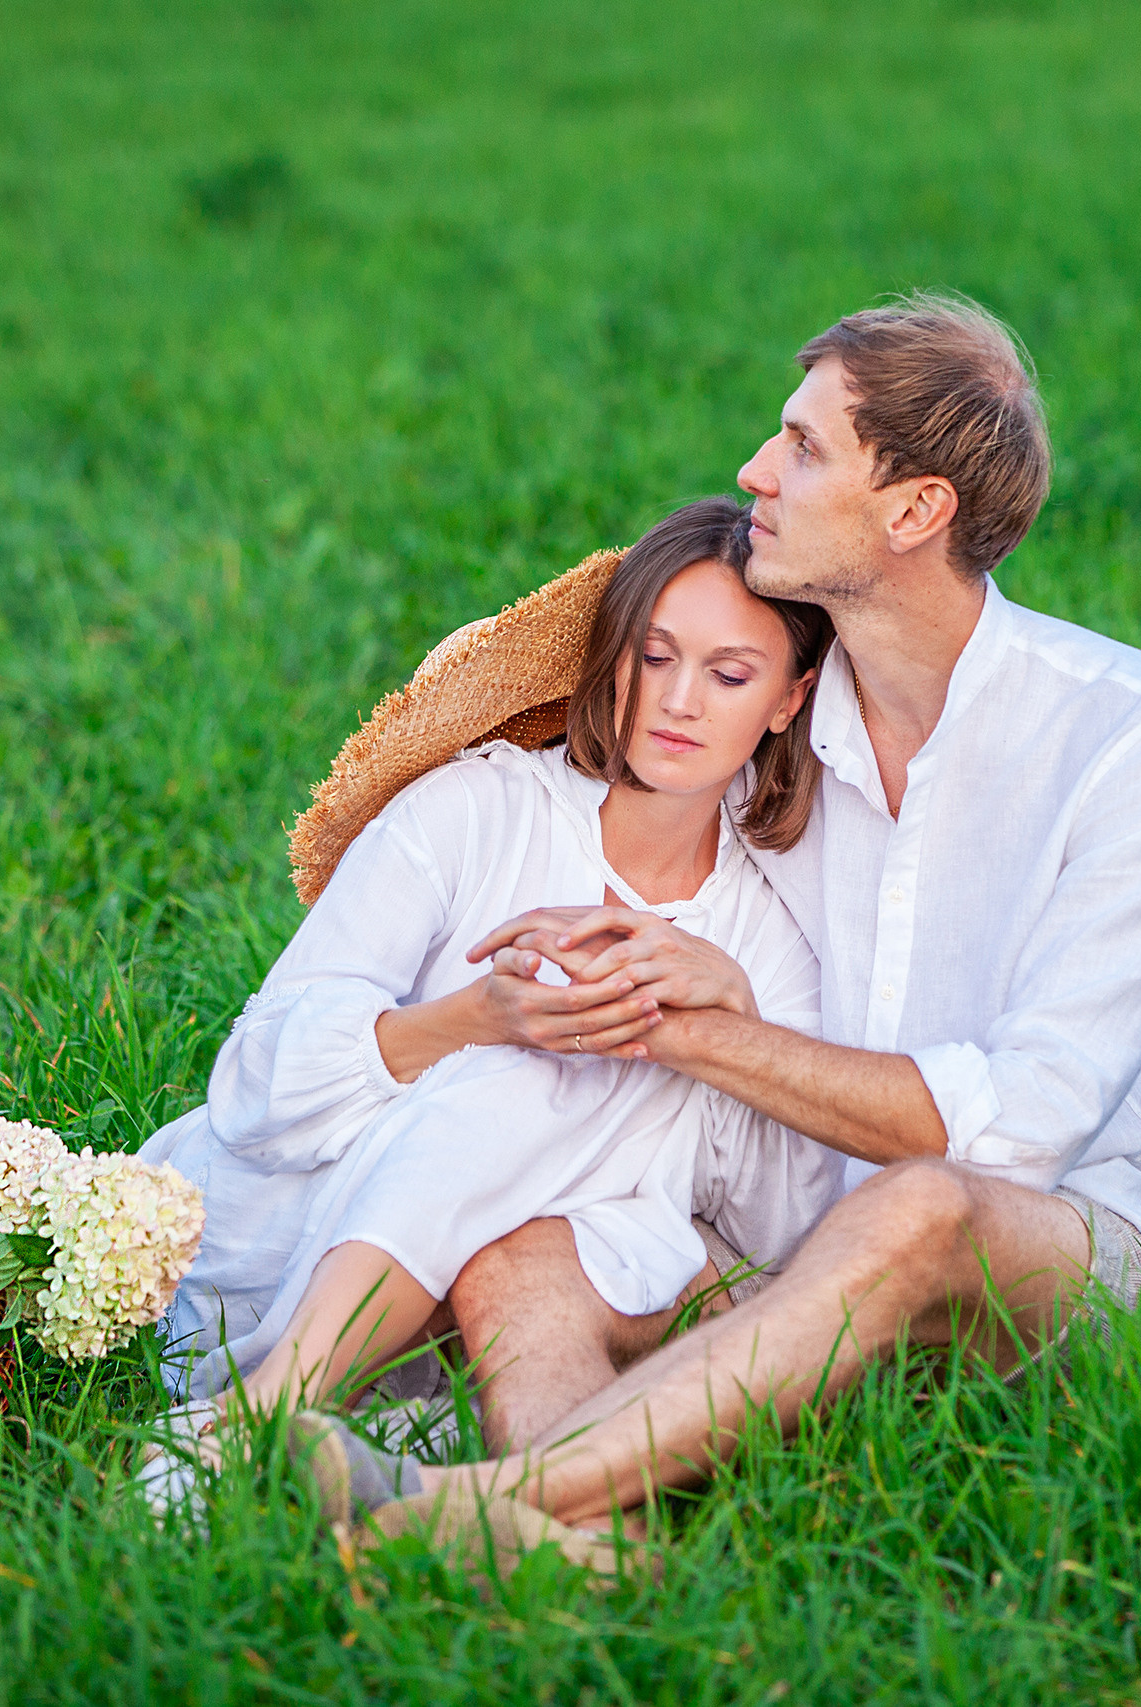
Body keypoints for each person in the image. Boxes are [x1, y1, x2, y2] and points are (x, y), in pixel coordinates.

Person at [341, 294, 1141, 1564]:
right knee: (525, 1252)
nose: (756, 471)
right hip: (785, 1254)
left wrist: (698, 1032)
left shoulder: (1132, 740)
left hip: (1053, 1267)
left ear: (913, 511)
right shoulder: (769, 730)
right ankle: (586, 1553)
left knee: (923, 1205)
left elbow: (1026, 1131)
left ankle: (483, 1507)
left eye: (805, 448)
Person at [135, 498, 846, 1496]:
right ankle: (262, 1407)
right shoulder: (475, 809)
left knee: (593, 1078)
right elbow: (255, 1087)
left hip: (501, 1300)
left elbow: (783, 1220)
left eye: (729, 675)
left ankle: (407, 1454)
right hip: (281, 1240)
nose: (680, 700)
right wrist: (474, 1020)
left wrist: (723, 1023)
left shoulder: (763, 930)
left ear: (786, 698)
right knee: (527, 1072)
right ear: (611, 662)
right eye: (653, 657)